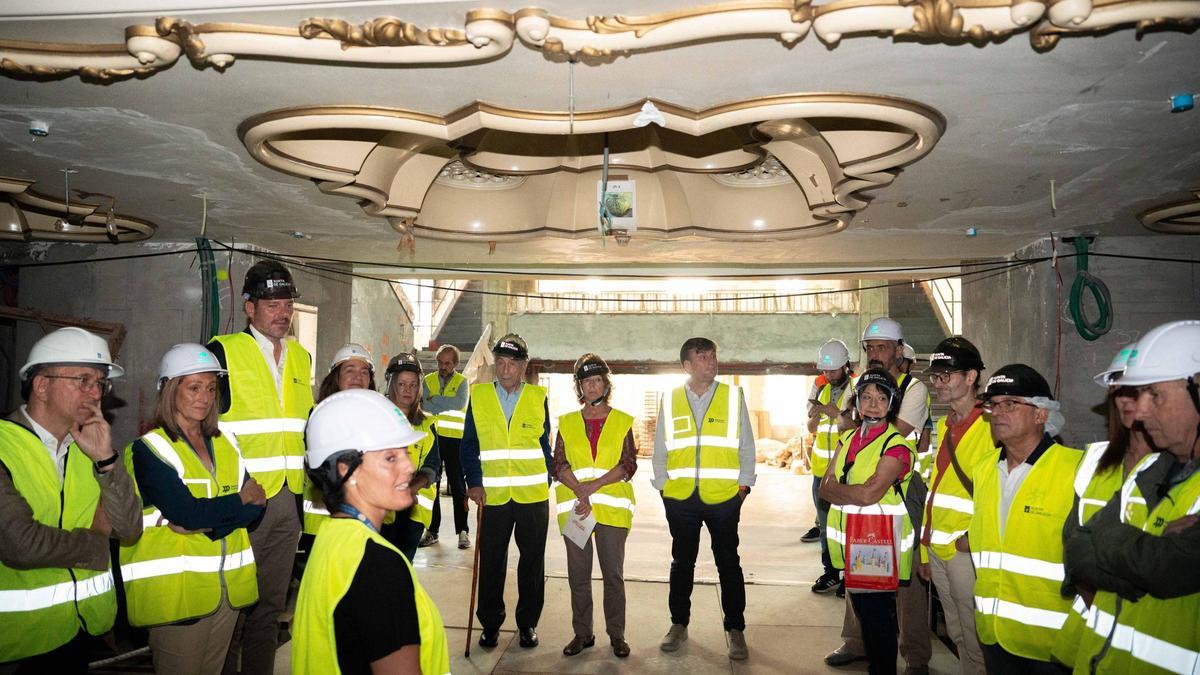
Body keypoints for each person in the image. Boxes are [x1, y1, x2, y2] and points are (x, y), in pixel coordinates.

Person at [119, 344, 266, 675]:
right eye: (194, 387)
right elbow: (187, 512)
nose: (205, 397)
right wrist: (238, 502)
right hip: (177, 597)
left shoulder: (226, 442)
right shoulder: (150, 450)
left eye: (211, 388)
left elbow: (258, 505)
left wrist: (211, 522)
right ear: (170, 391)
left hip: (227, 595)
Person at [0, 327, 141, 671]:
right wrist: (97, 544)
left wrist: (106, 460)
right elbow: (20, 543)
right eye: (83, 380)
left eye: (100, 384)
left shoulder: (90, 450)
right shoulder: (4, 446)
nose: (95, 393)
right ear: (42, 385)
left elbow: (130, 529)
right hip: (16, 643)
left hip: (79, 634)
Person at [1065, 320, 1200, 674]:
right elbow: (1078, 551)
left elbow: (1168, 568)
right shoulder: (1150, 472)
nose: (1138, 411)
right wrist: (1142, 555)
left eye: (1154, 395)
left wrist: (1110, 543)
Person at [292, 389, 450, 675]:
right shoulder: (378, 566)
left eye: (404, 453)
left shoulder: (332, 539)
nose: (409, 467)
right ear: (344, 471)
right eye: (390, 458)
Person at [208, 259, 313, 675]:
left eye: (286, 304)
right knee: (233, 607)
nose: (282, 312)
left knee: (270, 608)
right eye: (272, 304)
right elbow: (203, 426)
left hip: (289, 501)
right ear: (249, 308)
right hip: (245, 501)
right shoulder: (223, 352)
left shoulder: (302, 358)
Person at [827, 317, 932, 674]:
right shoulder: (859, 382)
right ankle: (856, 643)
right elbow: (845, 426)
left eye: (882, 347)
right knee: (859, 581)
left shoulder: (913, 388)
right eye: (870, 348)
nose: (874, 354)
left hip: (898, 490)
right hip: (858, 490)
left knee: (905, 584)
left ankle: (915, 656)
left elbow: (892, 430)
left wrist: (855, 419)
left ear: (898, 350)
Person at [970, 363, 1081, 673]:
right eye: (993, 405)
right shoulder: (984, 469)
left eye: (1011, 404)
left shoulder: (1076, 470)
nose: (998, 412)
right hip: (994, 634)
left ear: (1041, 414)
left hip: (1051, 645)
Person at [1053, 343, 1156, 669]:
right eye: (1120, 391)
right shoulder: (1094, 459)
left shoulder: (1179, 468)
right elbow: (1074, 544)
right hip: (1090, 634)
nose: (1127, 401)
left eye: (1140, 391)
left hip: (1149, 640)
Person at [653, 336, 756, 661]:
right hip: (681, 499)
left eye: (713, 356)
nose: (711, 362)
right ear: (687, 365)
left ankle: (735, 629)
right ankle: (678, 624)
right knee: (682, 563)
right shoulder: (670, 400)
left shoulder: (731, 396)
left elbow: (746, 446)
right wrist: (663, 488)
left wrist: (742, 489)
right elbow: (660, 449)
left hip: (724, 499)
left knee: (729, 563)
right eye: (703, 357)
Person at [460, 333, 552, 650]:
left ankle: (527, 624)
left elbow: (544, 444)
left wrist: (549, 476)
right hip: (493, 497)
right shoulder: (480, 396)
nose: (505, 369)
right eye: (500, 362)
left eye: (512, 363)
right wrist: (473, 482)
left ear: (523, 366)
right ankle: (490, 624)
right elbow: (468, 445)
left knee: (532, 564)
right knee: (492, 563)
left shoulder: (539, 398)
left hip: (533, 497)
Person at [552, 354, 638, 658]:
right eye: (586, 381)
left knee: (613, 575)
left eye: (597, 379)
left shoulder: (622, 420)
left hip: (611, 512)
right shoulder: (567, 422)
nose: (591, 386)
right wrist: (579, 491)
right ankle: (582, 633)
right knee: (578, 576)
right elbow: (558, 463)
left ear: (606, 384)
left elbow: (628, 463)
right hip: (576, 511)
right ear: (579, 386)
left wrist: (592, 488)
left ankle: (616, 635)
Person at [916, 337, 991, 675]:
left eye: (946, 376)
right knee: (959, 634)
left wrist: (970, 540)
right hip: (940, 549)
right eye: (936, 376)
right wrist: (925, 548)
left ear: (972, 377)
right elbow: (937, 489)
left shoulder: (992, 426)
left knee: (977, 636)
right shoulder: (948, 424)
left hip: (966, 551)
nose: (938, 383)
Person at [304, 343, 376, 534]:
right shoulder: (318, 415)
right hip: (321, 523)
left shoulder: (377, 415)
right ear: (336, 377)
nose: (357, 378)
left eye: (364, 372)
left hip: (365, 521)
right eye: (349, 370)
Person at [383, 352, 441, 561]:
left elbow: (432, 466)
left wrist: (410, 489)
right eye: (402, 384)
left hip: (414, 514)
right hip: (380, 509)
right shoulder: (375, 418)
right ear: (391, 385)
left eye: (413, 385)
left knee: (400, 569)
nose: (408, 390)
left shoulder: (426, 424)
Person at [807, 339, 855, 595]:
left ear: (845, 365)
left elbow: (856, 425)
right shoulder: (822, 392)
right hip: (820, 472)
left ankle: (850, 574)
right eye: (825, 371)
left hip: (846, 472)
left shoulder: (859, 390)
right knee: (826, 526)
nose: (828, 375)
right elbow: (812, 429)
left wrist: (833, 412)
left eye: (833, 370)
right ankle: (830, 572)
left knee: (847, 525)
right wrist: (815, 416)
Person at [421, 344, 471, 550]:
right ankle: (432, 531)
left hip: (455, 440)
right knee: (432, 484)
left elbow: (458, 404)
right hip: (432, 437)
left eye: (447, 363)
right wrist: (437, 401)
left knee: (459, 487)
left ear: (455, 364)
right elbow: (424, 404)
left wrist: (435, 400)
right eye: (440, 362)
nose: (442, 366)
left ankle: (463, 532)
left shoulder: (463, 382)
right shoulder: (428, 380)